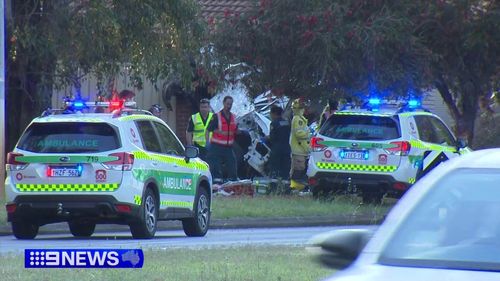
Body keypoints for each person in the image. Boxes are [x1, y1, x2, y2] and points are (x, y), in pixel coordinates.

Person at [206, 96, 239, 182]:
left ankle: (233, 180)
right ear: (224, 103)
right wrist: (207, 143)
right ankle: (217, 181)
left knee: (232, 163)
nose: (229, 106)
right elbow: (208, 130)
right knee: (215, 165)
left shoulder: (234, 117)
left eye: (230, 104)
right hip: (217, 146)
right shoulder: (217, 116)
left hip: (228, 147)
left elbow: (235, 131)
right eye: (227, 104)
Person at [290, 98, 311, 191]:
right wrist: (308, 134)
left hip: (301, 149)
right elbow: (298, 133)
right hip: (298, 149)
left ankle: (297, 186)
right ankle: (293, 186)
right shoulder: (297, 119)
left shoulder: (300, 119)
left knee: (301, 167)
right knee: (298, 168)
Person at [267, 105, 291, 179]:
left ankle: (274, 186)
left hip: (277, 149)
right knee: (285, 169)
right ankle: (285, 186)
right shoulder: (287, 123)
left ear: (274, 114)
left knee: (275, 169)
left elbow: (272, 138)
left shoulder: (273, 123)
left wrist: (267, 138)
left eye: (270, 113)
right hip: (287, 148)